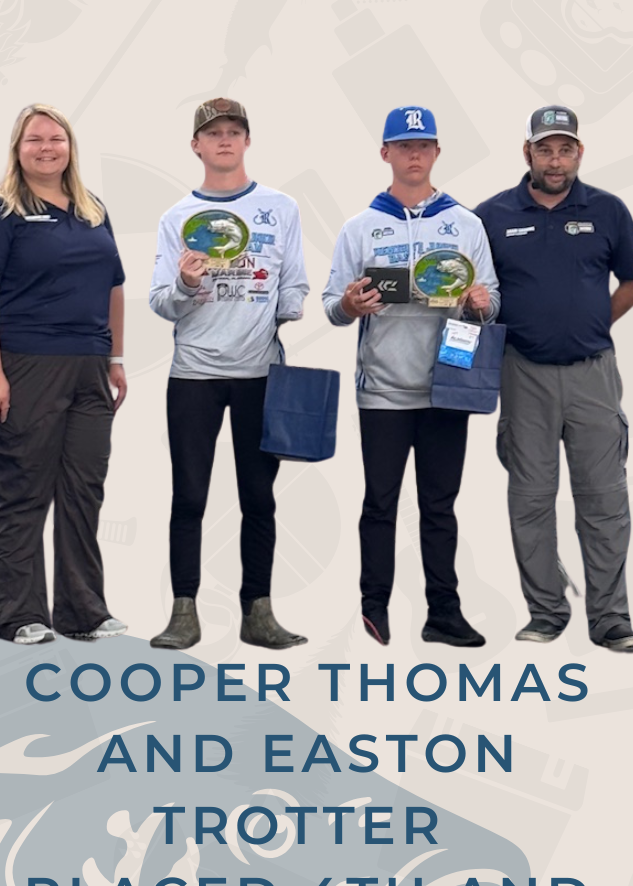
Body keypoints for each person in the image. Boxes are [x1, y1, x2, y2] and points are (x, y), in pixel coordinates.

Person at [324, 106, 499, 648]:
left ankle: (443, 612)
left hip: (447, 386)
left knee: (439, 507)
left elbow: (492, 302)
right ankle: (373, 606)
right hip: (382, 389)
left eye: (423, 145)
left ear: (437, 152)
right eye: (403, 145)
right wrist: (352, 304)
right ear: (386, 154)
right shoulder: (360, 226)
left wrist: (479, 302)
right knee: (380, 503)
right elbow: (331, 306)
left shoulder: (467, 224)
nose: (414, 154)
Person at [0, 102, 127, 646]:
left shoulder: (92, 209)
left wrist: (117, 359)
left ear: (70, 147)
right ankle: (18, 615)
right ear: (17, 149)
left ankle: (83, 612)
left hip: (90, 368)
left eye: (56, 139)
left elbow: (114, 287)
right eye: (35, 140)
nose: (47, 147)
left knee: (83, 491)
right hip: (25, 366)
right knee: (21, 490)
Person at [148, 97, 309, 652]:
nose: (224, 140)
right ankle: (182, 612)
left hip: (260, 375)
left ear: (246, 141)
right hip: (193, 373)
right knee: (189, 495)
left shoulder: (281, 208)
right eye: (212, 133)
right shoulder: (176, 218)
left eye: (234, 132)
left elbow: (296, 284)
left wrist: (283, 306)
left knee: (258, 498)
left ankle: (258, 613)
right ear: (195, 145)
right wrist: (188, 285)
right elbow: (159, 302)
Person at [477, 105, 633, 650]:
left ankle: (611, 617)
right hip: (522, 375)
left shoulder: (609, 210)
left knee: (604, 497)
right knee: (531, 499)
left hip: (593, 375)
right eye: (545, 148)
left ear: (579, 153)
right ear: (528, 154)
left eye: (566, 148)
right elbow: (472, 291)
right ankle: (546, 611)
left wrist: (596, 320)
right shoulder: (492, 215)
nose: (556, 159)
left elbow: (632, 278)